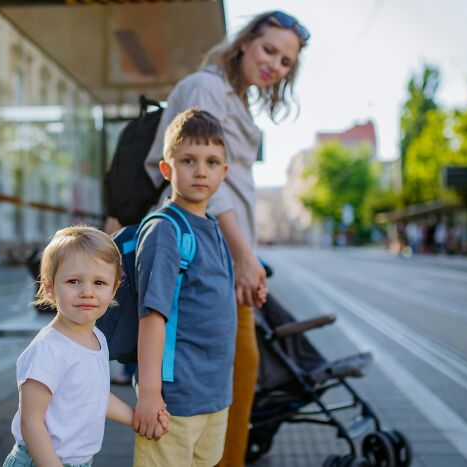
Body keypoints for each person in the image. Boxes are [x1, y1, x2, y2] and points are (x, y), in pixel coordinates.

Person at [143, 10, 310, 466]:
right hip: (208, 254)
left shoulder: (233, 98)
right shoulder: (207, 88)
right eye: (269, 50)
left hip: (224, 252)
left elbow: (229, 185)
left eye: (286, 61)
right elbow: (201, 181)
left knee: (235, 373)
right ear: (244, 43)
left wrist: (244, 254)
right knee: (228, 374)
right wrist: (244, 256)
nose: (275, 64)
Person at [3, 226, 169, 467]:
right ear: (49, 288)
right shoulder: (48, 350)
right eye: (74, 281)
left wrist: (138, 420)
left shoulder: (97, 339)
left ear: (114, 289)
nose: (87, 292)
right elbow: (31, 423)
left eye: (99, 282)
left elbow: (94, 396)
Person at [132, 108, 243, 467]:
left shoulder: (211, 227)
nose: (200, 170)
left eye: (212, 162)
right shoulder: (166, 230)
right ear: (167, 169)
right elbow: (152, 316)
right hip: (173, 403)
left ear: (224, 173)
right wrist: (149, 394)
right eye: (188, 160)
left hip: (214, 398)